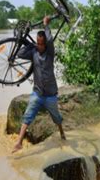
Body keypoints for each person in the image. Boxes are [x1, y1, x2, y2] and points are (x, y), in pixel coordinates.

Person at [12, 16, 65, 153]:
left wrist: (46, 25)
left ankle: (62, 133)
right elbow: (19, 54)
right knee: (28, 115)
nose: (40, 46)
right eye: (38, 43)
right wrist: (29, 45)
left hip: (50, 95)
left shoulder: (50, 53)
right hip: (38, 93)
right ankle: (19, 142)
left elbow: (50, 41)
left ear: (45, 44)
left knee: (57, 118)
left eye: (41, 44)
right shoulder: (34, 52)